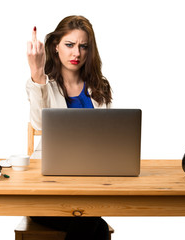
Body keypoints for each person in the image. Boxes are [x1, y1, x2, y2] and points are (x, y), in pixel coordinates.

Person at [25, 15, 112, 240]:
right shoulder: (43, 84)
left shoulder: (99, 88)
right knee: (92, 222)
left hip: (89, 188)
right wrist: (36, 72)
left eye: (83, 46)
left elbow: (107, 138)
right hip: (47, 192)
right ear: (56, 47)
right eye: (70, 45)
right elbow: (38, 123)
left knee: (91, 219)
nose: (77, 53)